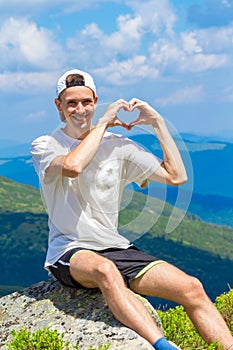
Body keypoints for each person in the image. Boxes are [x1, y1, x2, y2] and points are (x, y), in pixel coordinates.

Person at [31, 69, 233, 350]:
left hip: (116, 247)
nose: (80, 109)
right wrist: (102, 123)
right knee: (105, 271)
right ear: (59, 106)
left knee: (193, 288)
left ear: (95, 100)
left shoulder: (119, 146)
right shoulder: (45, 145)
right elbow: (73, 167)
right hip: (69, 250)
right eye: (71, 103)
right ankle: (162, 346)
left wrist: (157, 123)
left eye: (86, 102)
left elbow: (175, 176)